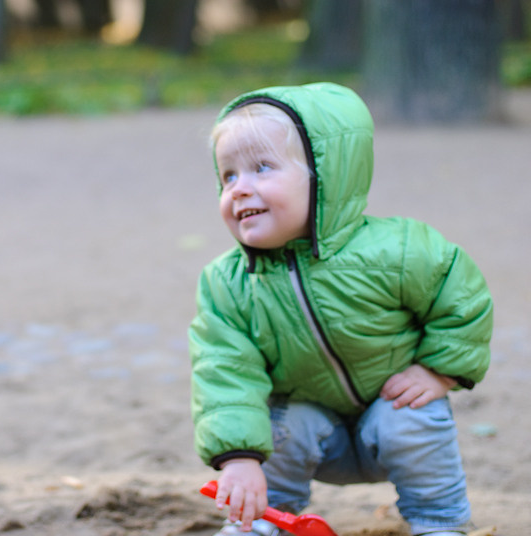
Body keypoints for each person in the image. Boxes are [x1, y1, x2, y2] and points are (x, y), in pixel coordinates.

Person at [189, 83, 492, 536]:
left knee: (411, 416)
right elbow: (225, 370)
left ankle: (441, 523)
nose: (239, 189)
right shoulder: (226, 284)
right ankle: (262, 521)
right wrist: (238, 457)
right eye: (228, 176)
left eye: (262, 168)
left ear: (325, 175)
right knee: (281, 425)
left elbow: (463, 299)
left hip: (392, 414)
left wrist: (438, 371)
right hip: (311, 428)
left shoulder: (397, 249)